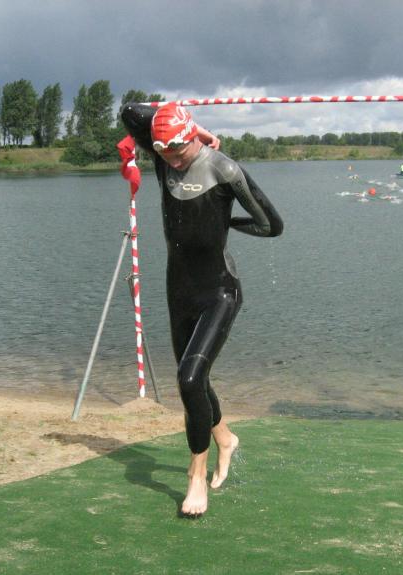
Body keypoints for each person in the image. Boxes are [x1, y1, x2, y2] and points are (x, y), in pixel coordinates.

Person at [120, 102, 283, 516]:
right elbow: (130, 111)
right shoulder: (163, 158)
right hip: (179, 292)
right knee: (193, 382)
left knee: (190, 377)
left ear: (190, 137)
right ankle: (225, 437)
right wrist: (195, 128)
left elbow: (271, 225)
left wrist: (226, 224)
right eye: (164, 152)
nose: (172, 161)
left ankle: (196, 477)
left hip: (219, 291)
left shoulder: (223, 169)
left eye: (178, 150)